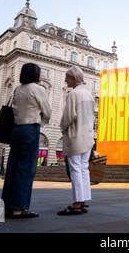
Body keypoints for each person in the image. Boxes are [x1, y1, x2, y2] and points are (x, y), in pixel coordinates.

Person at [1, 63, 51, 219]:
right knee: (26, 169)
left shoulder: (18, 89)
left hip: (15, 130)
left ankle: (7, 205)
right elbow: (47, 112)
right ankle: (18, 207)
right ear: (36, 75)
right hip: (30, 129)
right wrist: (41, 121)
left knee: (13, 167)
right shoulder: (38, 89)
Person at [57, 66, 95, 216]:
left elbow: (68, 117)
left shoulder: (74, 94)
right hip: (88, 136)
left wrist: (62, 128)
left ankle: (77, 203)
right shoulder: (88, 94)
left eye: (67, 78)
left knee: (75, 169)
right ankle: (83, 199)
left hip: (75, 135)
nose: (65, 80)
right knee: (84, 168)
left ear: (73, 78)